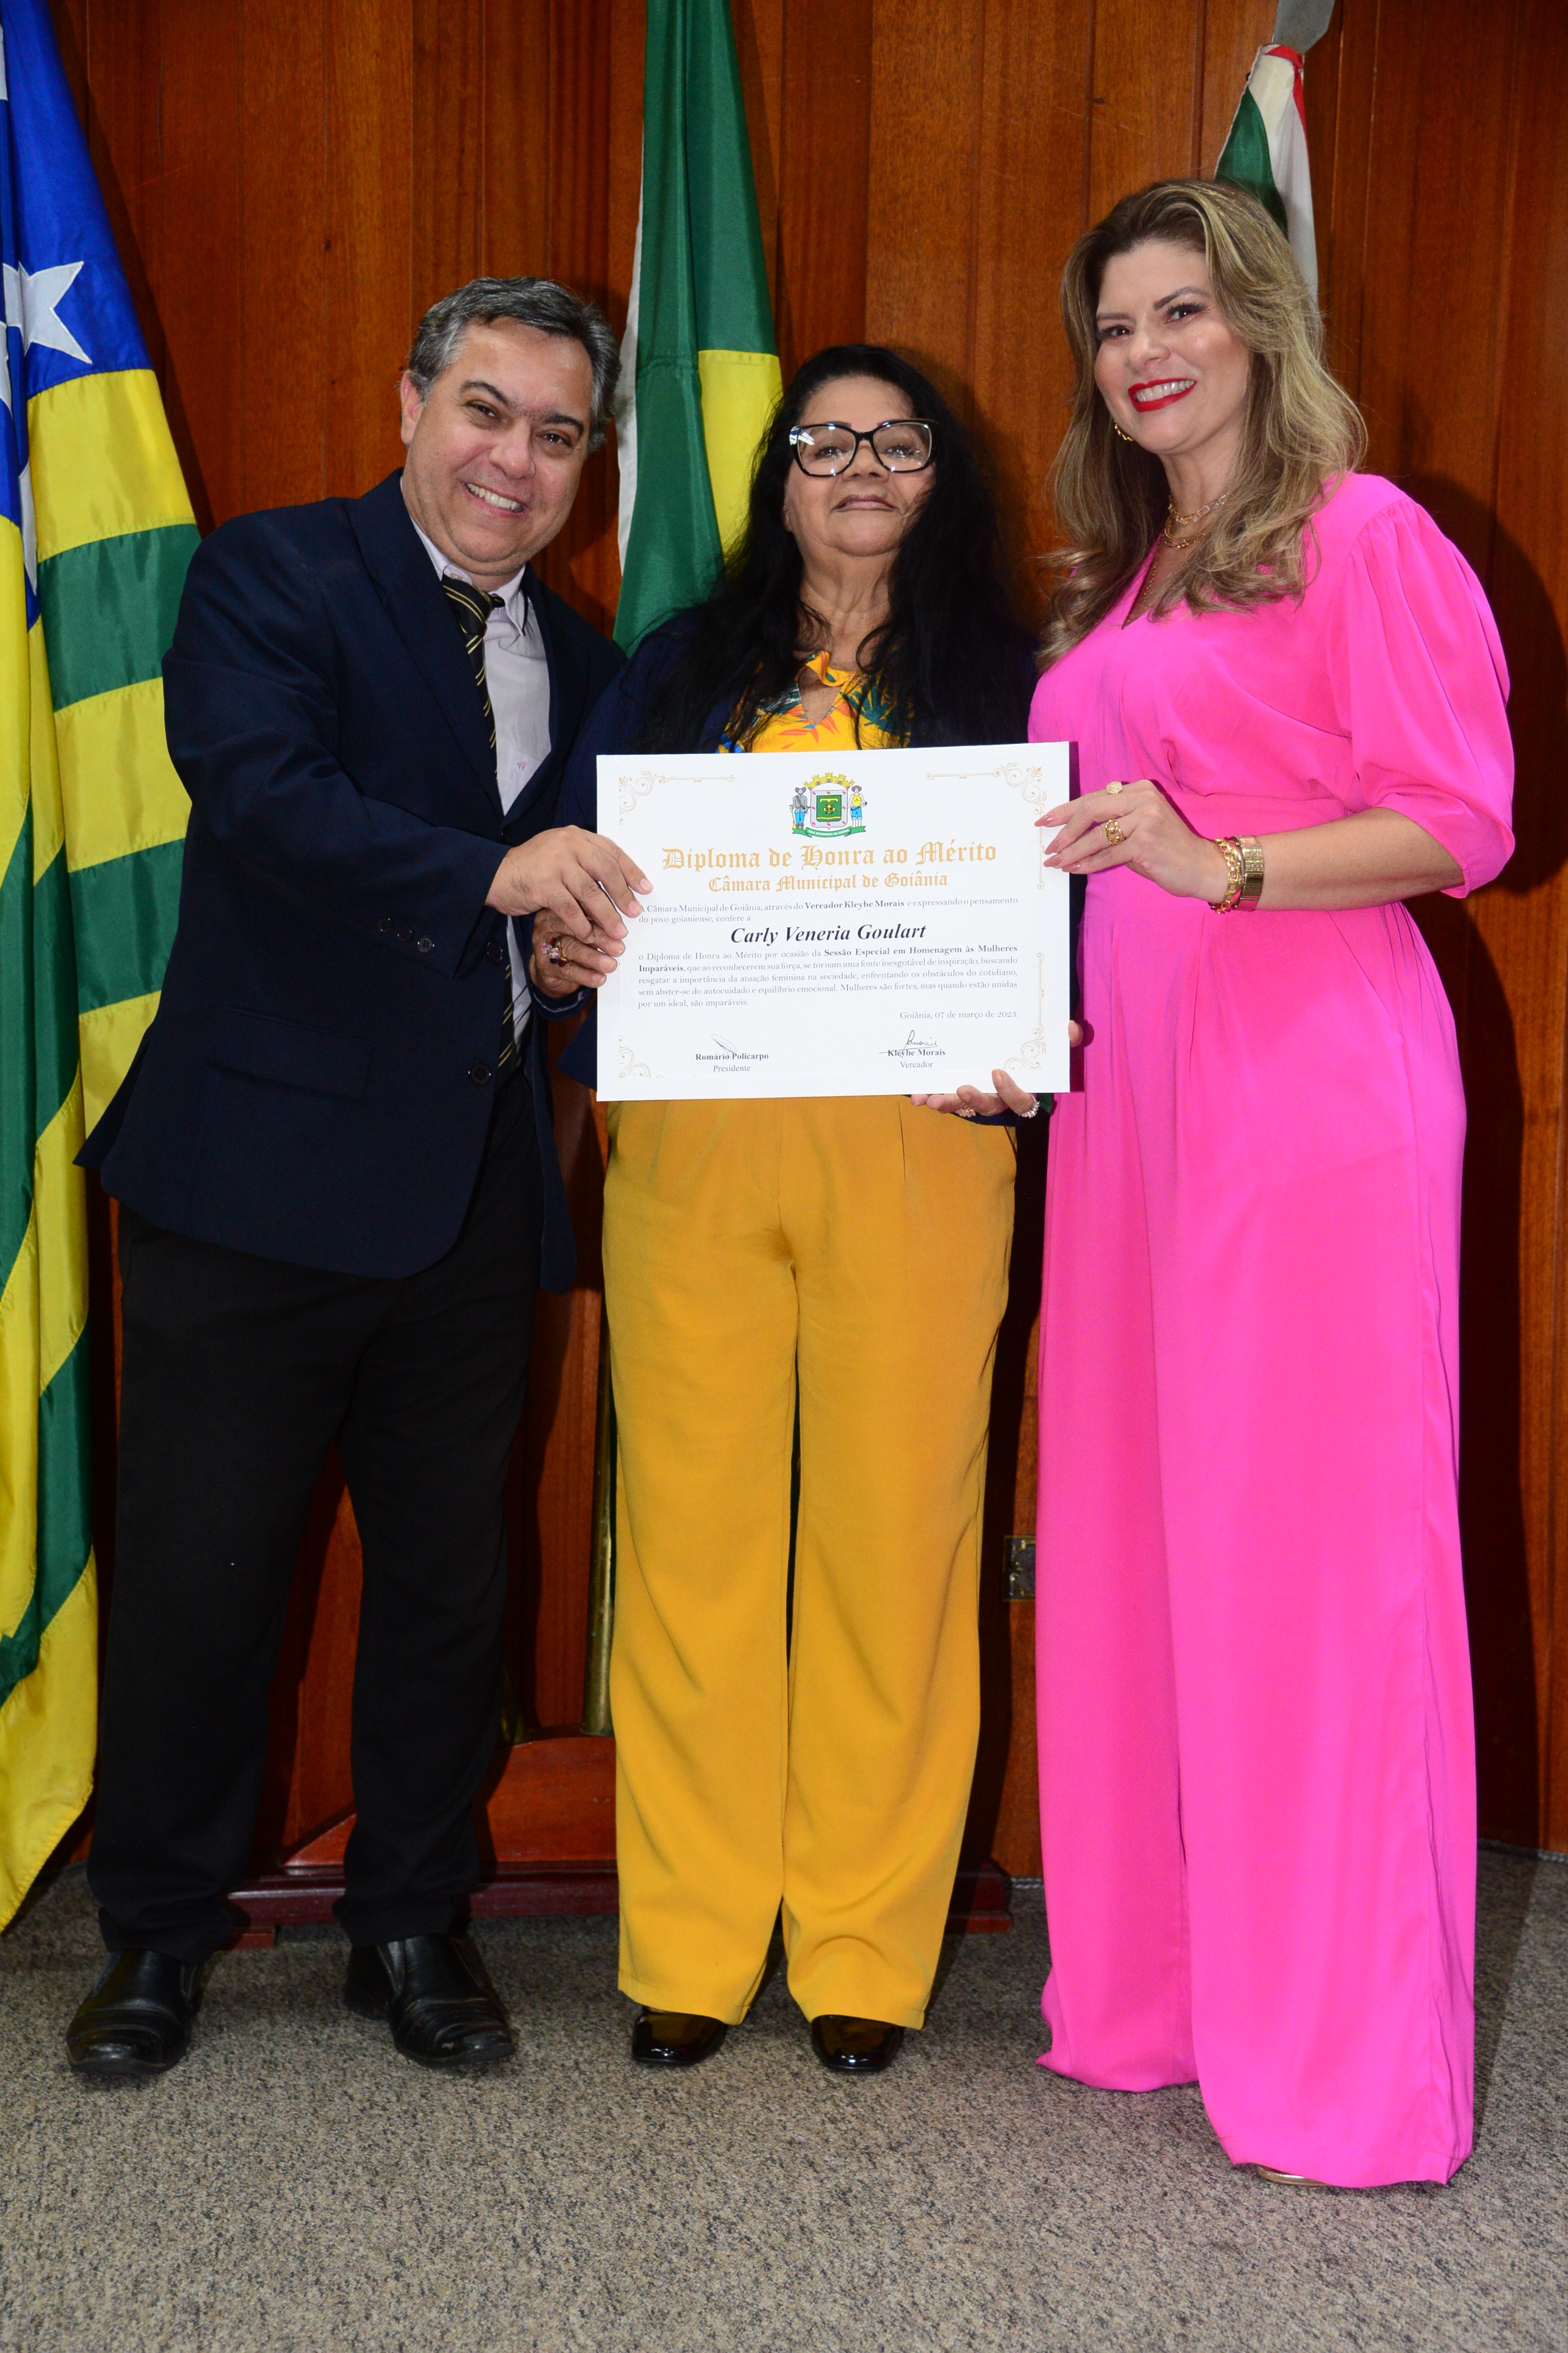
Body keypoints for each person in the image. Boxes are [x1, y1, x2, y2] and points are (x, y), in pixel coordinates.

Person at [66, 278, 648, 2079]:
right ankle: (158, 1931)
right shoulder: (272, 575)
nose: (515, 460)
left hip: (471, 1194)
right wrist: (494, 882)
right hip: (251, 1180)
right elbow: (259, 794)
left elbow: (566, 922)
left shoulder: (598, 664)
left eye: (558, 435)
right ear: (411, 403)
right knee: (202, 1583)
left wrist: (569, 964)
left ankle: (411, 1917)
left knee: (449, 1590)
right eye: (486, 410)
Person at [1019, 179, 1513, 2185]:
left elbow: (1460, 819)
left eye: (1182, 310)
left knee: (1312, 1563)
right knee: (1137, 1538)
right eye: (1115, 324)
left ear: (1258, 322)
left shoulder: (1362, 533)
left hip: (1309, 1093)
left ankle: (1342, 2064)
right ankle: (1161, 1998)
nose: (1146, 351)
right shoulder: (1122, 585)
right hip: (1127, 1102)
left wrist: (1216, 857)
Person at [537, 346, 1038, 2073]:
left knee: (900, 1548)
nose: (859, 465)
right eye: (824, 441)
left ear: (940, 473)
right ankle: (689, 1942)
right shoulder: (680, 668)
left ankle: (863, 1953)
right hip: (695, 1144)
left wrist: (1037, 1034)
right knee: (693, 1550)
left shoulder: (1015, 676)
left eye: (897, 439)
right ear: (778, 478)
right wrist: (569, 949)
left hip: (926, 1145)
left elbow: (1075, 910)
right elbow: (576, 876)